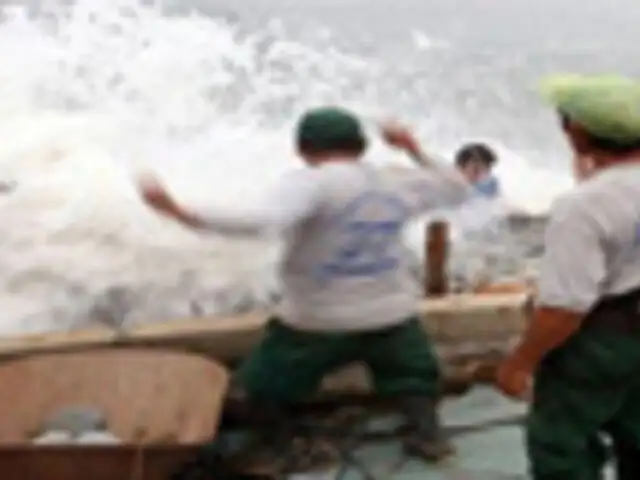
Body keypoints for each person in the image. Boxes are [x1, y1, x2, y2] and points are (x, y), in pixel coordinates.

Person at [137, 106, 473, 460]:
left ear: (302, 149)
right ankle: (427, 435)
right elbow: (459, 188)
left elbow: (263, 220)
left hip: (318, 321)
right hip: (392, 316)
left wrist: (182, 213)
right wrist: (411, 146)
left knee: (257, 388)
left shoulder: (312, 183)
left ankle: (278, 444)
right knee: (414, 374)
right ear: (361, 146)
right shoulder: (396, 180)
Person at [496, 74, 640, 480]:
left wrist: (519, 363)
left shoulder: (582, 206)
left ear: (577, 133)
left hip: (600, 342)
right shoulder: (599, 194)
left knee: (561, 444)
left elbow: (565, 309)